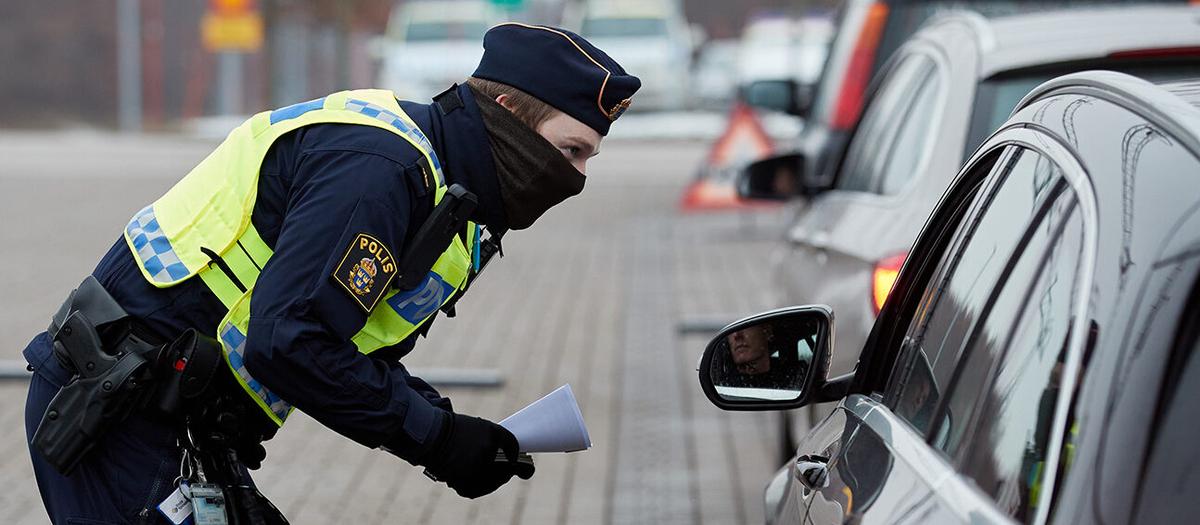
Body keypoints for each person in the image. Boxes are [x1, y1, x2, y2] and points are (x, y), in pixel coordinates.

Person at [23, 23, 639, 523]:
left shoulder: (444, 195)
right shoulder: (378, 172)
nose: (578, 177)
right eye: (571, 151)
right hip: (113, 413)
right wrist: (436, 440)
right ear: (507, 112)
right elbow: (288, 341)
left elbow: (341, 344)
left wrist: (451, 428)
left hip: (179, 420)